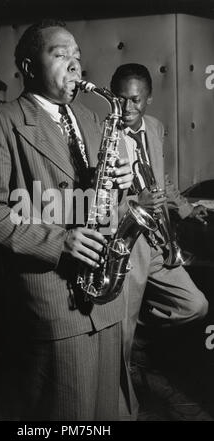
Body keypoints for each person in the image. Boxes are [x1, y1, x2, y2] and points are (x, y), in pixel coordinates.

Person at [0, 20, 137, 421]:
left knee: (109, 413)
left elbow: (101, 203)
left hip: (106, 298)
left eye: (77, 57)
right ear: (28, 66)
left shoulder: (94, 121)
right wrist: (58, 242)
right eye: (61, 56)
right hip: (54, 301)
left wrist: (121, 184)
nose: (75, 66)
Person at [110, 63, 209, 369]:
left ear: (148, 98)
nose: (127, 108)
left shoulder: (154, 126)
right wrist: (135, 203)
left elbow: (161, 180)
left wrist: (186, 208)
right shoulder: (103, 133)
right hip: (129, 244)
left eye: (135, 100)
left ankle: (138, 336)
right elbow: (95, 199)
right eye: (120, 98)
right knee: (120, 344)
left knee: (195, 305)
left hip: (159, 240)